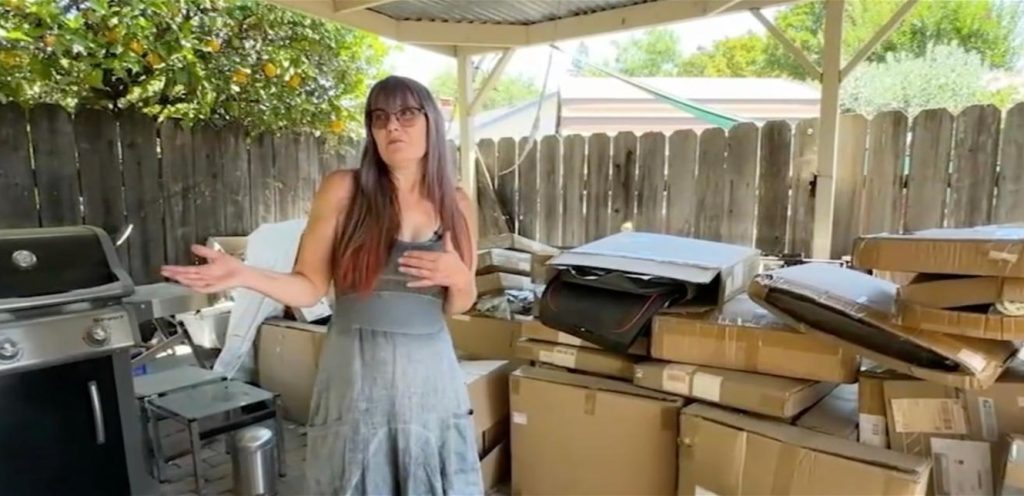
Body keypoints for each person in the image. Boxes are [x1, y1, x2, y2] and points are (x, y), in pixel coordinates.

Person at [160, 75, 483, 495]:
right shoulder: (344, 189)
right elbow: (309, 286)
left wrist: (458, 277)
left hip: (430, 375)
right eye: (379, 117)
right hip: (355, 371)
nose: (392, 126)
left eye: (406, 114)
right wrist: (243, 274)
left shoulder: (457, 203)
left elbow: (460, 303)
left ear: (431, 123)